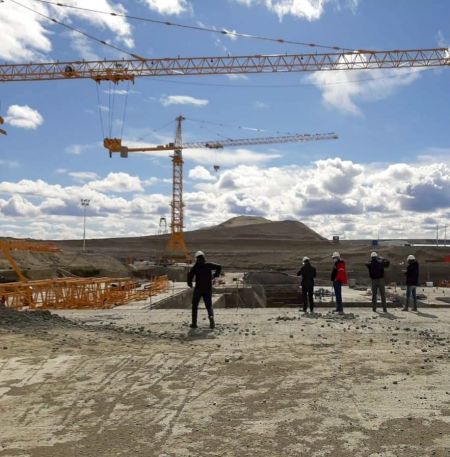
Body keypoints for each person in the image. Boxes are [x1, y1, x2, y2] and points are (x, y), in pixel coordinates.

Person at [187, 251, 222, 329]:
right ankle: (211, 317)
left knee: (195, 306)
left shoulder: (195, 267)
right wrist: (215, 275)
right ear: (203, 257)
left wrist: (190, 284)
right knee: (209, 305)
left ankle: (194, 323)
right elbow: (219, 266)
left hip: (198, 289)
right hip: (208, 289)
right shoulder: (208, 265)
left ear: (196, 258)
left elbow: (190, 275)